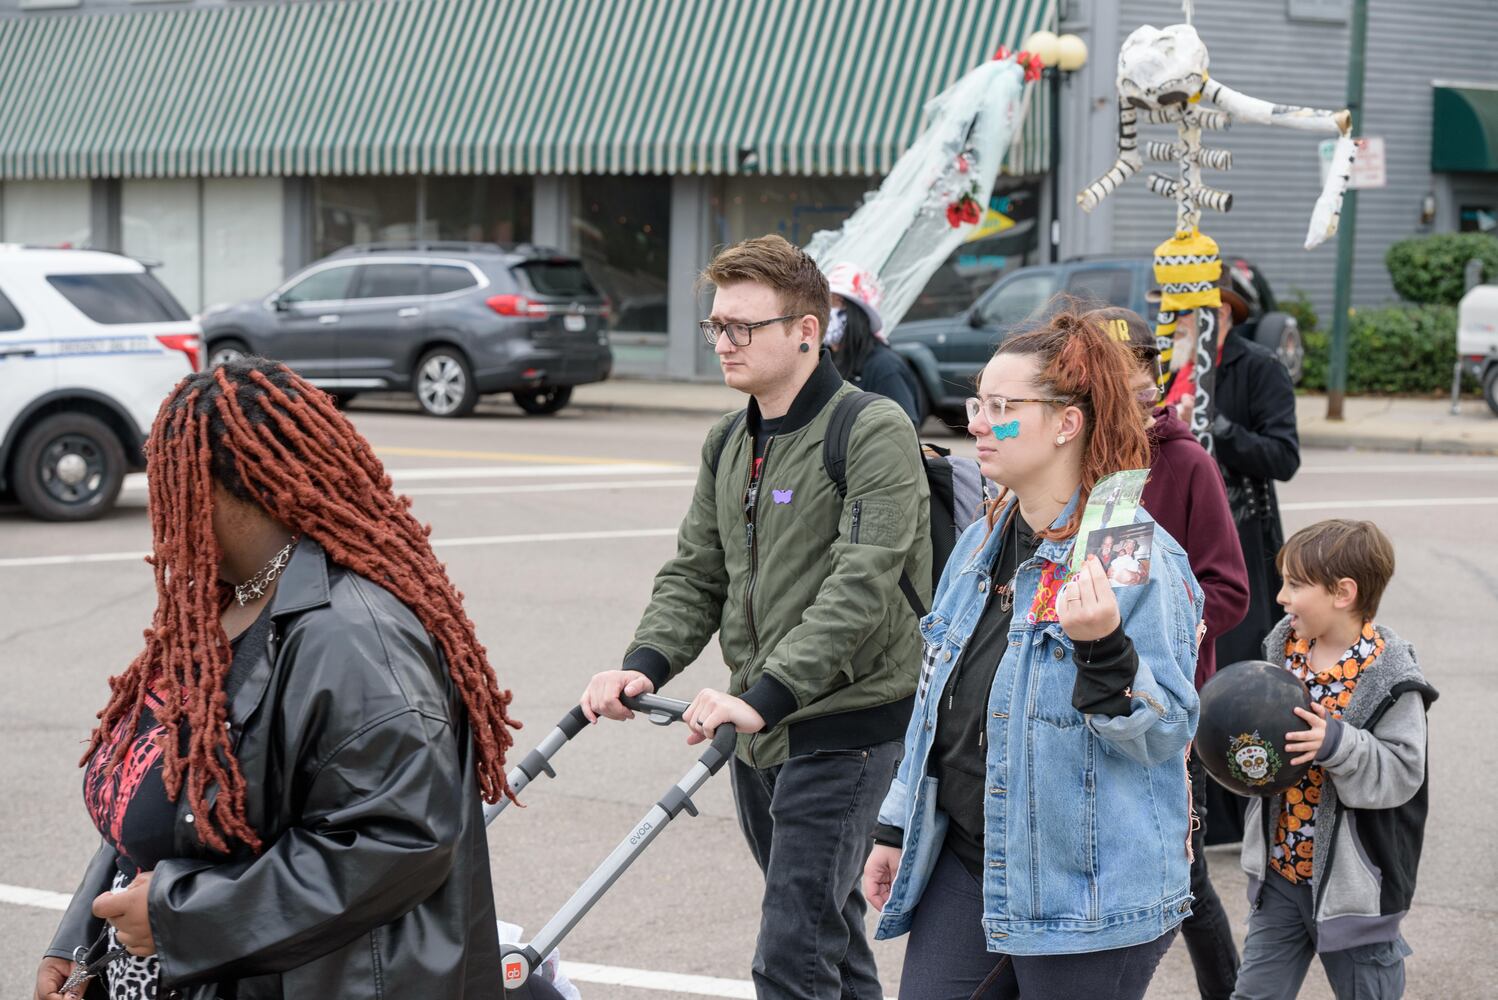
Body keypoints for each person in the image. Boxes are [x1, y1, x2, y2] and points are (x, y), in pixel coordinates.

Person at [35, 360, 517, 1000]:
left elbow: (397, 840)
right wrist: (80, 938)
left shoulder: (354, 636)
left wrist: (179, 915)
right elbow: (157, 797)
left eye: (174, 485)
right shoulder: (219, 602)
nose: (163, 511)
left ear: (226, 490)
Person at [580, 235, 931, 1000]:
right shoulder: (729, 441)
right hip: (761, 731)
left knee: (791, 957)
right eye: (717, 326)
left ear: (806, 331)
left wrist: (763, 694)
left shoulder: (870, 429)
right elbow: (697, 572)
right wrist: (645, 662)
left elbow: (860, 584)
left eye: (742, 327)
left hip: (848, 727)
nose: (723, 344)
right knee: (827, 943)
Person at [863, 311, 1204, 1000]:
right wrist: (897, 823)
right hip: (967, 860)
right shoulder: (982, 536)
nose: (978, 423)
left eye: (1002, 407)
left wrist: (1103, 650)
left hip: (1088, 891)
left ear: (1066, 424)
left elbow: (1166, 732)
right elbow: (936, 700)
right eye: (977, 404)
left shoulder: (1126, 553)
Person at [1095, 305, 1250, 999]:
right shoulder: (1081, 456)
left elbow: (1229, 589)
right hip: (1082, 695)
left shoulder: (1184, 463)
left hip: (1165, 701)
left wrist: (1151, 636)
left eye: (1131, 368)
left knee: (1181, 877)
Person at [1232, 519, 1437, 1000]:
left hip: (1354, 891)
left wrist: (1337, 744)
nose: (1281, 596)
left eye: (1295, 585)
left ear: (1343, 592)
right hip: (1281, 873)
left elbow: (1402, 772)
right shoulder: (1285, 647)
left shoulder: (1390, 677)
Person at [825, 262, 923, 424]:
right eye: (825, 302)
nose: (828, 311)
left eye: (837, 302)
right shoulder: (823, 360)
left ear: (859, 315)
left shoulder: (885, 367)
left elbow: (903, 431)